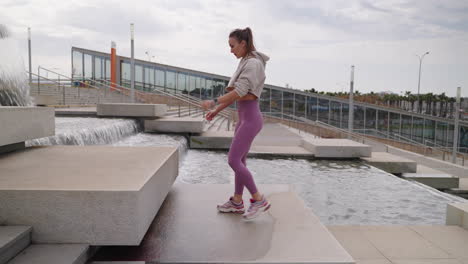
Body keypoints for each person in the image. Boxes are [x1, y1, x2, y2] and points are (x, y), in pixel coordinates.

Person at [201, 27, 270, 220]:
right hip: (245, 119)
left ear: (243, 44)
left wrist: (214, 101)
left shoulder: (253, 64)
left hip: (251, 120)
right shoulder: (246, 62)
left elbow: (239, 93)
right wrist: (217, 110)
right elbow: (239, 95)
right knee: (240, 161)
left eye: (232, 46)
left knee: (233, 160)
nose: (231, 50)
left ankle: (258, 199)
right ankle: (237, 201)